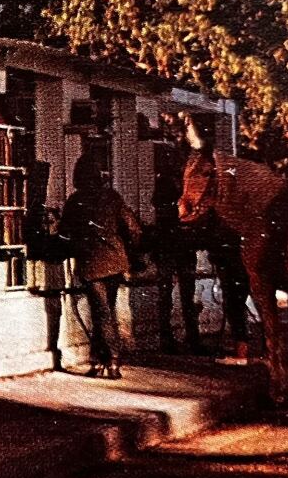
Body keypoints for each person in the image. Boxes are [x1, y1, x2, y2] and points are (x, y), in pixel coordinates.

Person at [59, 158, 143, 378]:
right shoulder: (112, 197)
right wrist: (129, 247)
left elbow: (64, 233)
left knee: (101, 312)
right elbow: (133, 227)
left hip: (93, 262)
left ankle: (111, 359)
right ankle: (100, 360)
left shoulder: (75, 200)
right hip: (115, 260)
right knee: (105, 310)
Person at [150, 144, 203, 353]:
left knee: (181, 294)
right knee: (171, 294)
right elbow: (160, 207)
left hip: (178, 244)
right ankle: (172, 337)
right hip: (173, 243)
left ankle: (186, 337)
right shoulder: (166, 182)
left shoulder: (180, 183)